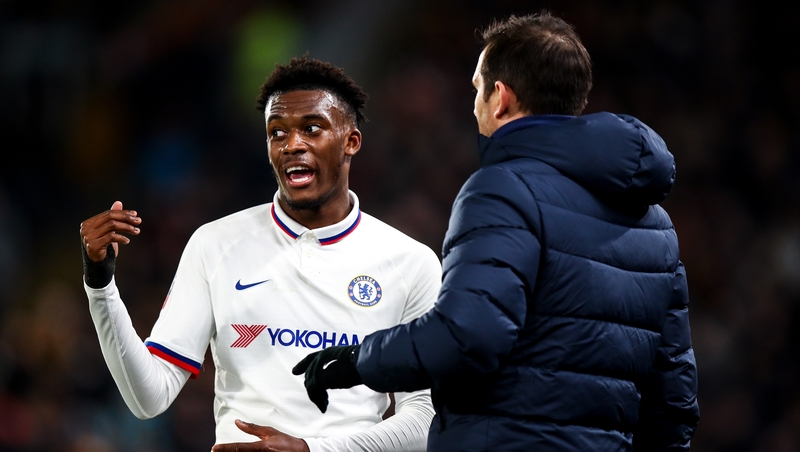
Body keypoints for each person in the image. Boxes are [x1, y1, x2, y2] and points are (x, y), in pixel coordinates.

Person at [293, 11, 700, 451]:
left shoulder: (505, 189)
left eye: (476, 90)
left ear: (500, 98)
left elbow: (468, 337)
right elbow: (674, 398)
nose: (474, 106)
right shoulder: (655, 222)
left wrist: (359, 361)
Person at [79, 56, 440, 452]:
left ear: (351, 141)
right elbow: (148, 398)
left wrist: (313, 450)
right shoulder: (215, 244)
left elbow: (424, 418)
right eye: (277, 133)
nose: (292, 145)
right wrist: (101, 286)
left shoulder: (411, 263)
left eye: (312, 128)